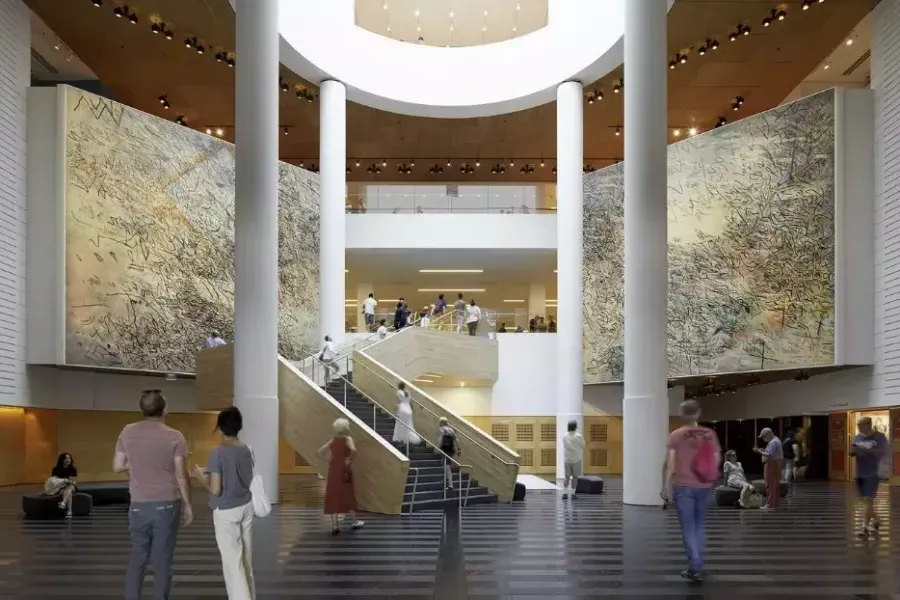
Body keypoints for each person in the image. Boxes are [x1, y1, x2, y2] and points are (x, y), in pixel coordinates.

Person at [113, 389, 192, 600]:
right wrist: (188, 505)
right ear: (164, 409)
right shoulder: (175, 436)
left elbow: (117, 465)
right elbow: (181, 475)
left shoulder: (127, 431)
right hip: (167, 504)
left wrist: (138, 464)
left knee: (137, 558)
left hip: (138, 504)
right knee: (163, 560)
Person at [190, 407, 256, 600]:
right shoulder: (247, 450)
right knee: (246, 562)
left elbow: (216, 489)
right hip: (246, 507)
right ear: (239, 426)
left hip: (227, 512)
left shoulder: (217, 453)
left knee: (232, 565)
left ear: (220, 428)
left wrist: (200, 476)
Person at [663, 400, 720, 582]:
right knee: (698, 525)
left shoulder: (676, 435)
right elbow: (716, 459)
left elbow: (671, 465)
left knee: (688, 526)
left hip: (683, 486)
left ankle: (695, 566)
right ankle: (698, 562)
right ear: (698, 413)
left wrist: (665, 486)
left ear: (682, 414)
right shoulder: (710, 434)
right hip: (703, 485)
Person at [317, 418, 364, 535]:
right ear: (346, 427)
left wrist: (329, 460)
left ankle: (335, 525)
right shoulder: (348, 439)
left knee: (334, 495)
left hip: (333, 470)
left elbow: (319, 451)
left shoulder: (333, 440)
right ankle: (354, 521)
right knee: (347, 494)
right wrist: (349, 459)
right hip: (344, 470)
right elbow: (353, 450)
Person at [850, 416, 888, 538]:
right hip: (860, 472)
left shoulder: (879, 437)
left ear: (868, 425)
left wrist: (867, 450)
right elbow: (852, 452)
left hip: (873, 472)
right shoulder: (858, 437)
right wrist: (854, 451)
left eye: (860, 425)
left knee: (868, 499)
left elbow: (883, 453)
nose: (858, 428)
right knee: (864, 500)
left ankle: (864, 526)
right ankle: (876, 520)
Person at [754, 427, 783, 510]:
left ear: (768, 435)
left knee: (770, 485)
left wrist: (759, 451)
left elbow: (769, 454)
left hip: (771, 464)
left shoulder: (773, 442)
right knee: (775, 485)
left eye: (763, 437)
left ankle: (770, 504)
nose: (763, 439)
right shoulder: (776, 440)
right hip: (776, 463)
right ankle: (775, 503)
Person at [45, 452, 78, 518]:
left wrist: (67, 482)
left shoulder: (73, 469)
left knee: (69, 487)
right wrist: (64, 481)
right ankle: (69, 512)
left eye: (69, 458)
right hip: (60, 488)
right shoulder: (56, 469)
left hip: (72, 486)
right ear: (62, 460)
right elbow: (53, 481)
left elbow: (73, 482)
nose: (68, 460)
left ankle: (63, 503)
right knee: (69, 493)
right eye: (66, 458)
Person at [392, 382, 421, 450]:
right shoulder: (408, 392)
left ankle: (402, 439)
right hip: (408, 409)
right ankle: (406, 439)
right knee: (408, 425)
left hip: (402, 409)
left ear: (399, 386)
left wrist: (396, 410)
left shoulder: (398, 392)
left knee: (400, 425)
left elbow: (399, 401)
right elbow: (410, 402)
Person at [561, 420, 585, 500]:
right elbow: (583, 446)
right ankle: (573, 494)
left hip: (567, 459)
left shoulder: (565, 435)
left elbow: (565, 445)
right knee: (575, 477)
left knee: (566, 477)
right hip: (576, 459)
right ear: (575, 427)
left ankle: (564, 494)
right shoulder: (579, 436)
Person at [438, 417, 460, 490]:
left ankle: (450, 485)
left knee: (447, 466)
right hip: (451, 449)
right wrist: (459, 449)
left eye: (439, 423)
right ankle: (446, 478)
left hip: (446, 449)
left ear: (441, 423)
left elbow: (441, 437)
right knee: (443, 462)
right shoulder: (451, 430)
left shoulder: (442, 428)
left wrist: (438, 446)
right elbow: (456, 439)